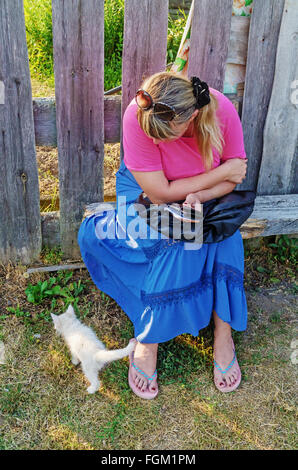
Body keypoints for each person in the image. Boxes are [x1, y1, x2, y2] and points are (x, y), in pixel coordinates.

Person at [78, 71, 248, 399]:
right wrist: (218, 174)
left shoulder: (221, 111)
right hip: (145, 191)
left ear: (194, 117)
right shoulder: (141, 112)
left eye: (164, 136)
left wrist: (204, 193)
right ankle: (149, 339)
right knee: (175, 243)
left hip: (206, 193)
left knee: (224, 238)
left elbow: (235, 177)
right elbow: (158, 192)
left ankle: (223, 335)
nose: (155, 142)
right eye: (151, 135)